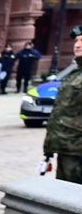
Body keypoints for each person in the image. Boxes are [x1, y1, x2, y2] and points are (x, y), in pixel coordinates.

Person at [41, 29, 82, 180]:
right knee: (64, 195)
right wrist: (50, 148)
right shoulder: (74, 73)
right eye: (76, 41)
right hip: (67, 147)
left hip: (78, 149)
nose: (77, 45)